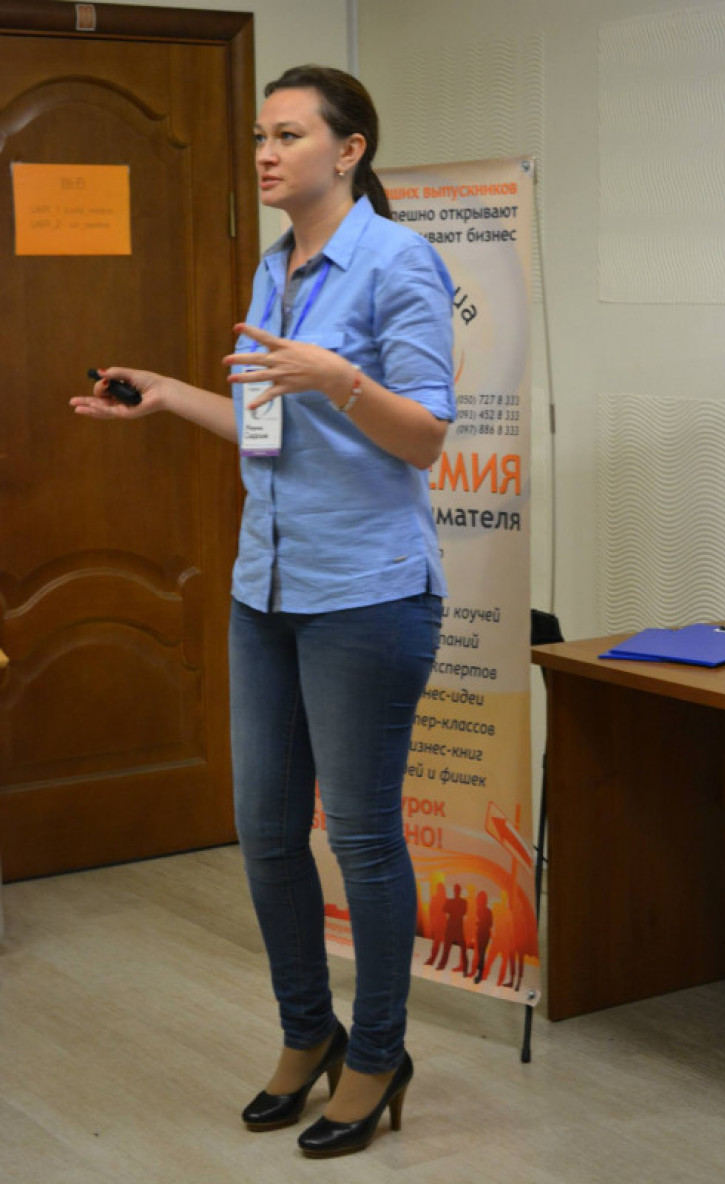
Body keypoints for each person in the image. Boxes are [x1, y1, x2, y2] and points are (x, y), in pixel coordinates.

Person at [70, 64, 455, 1158]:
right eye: (258, 136)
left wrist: (340, 378)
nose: (266, 154)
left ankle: (377, 1052)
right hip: (267, 586)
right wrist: (167, 395)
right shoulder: (274, 265)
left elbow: (427, 436)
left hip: (368, 593)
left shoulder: (397, 262)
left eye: (289, 134)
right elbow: (266, 425)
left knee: (363, 839)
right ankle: (306, 1033)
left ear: (351, 149)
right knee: (268, 833)